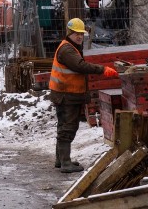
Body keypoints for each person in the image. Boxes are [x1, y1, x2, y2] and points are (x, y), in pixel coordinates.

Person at [49, 18, 118, 173]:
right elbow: (79, 66)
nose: (79, 37)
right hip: (67, 95)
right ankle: (65, 162)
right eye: (76, 34)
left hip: (64, 94)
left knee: (63, 127)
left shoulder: (70, 47)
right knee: (68, 128)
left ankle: (60, 160)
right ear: (69, 33)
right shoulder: (67, 50)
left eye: (81, 34)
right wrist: (102, 69)